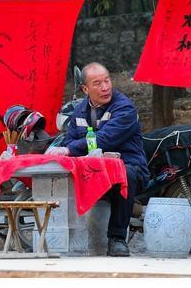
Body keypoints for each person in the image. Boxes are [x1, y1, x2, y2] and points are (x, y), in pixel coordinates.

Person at [46, 62, 149, 257]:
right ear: (85, 89)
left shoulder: (124, 107)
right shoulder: (79, 112)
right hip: (93, 172)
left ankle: (117, 239)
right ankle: (58, 237)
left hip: (130, 169)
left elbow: (105, 138)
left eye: (107, 80)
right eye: (97, 83)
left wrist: (68, 149)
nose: (105, 87)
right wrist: (66, 150)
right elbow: (71, 139)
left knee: (125, 174)